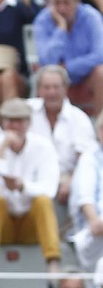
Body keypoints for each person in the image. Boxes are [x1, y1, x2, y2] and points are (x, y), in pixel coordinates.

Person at [0, 96, 63, 288]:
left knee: (42, 201)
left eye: (20, 121)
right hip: (2, 225)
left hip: (32, 225)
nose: (15, 126)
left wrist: (23, 186)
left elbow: (50, 189)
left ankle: (53, 270)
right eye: (11, 121)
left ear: (28, 123)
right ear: (3, 122)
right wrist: (3, 151)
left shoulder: (43, 147)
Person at [33, 0, 103, 116]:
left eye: (66, 3)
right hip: (54, 74)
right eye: (57, 3)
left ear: (77, 2)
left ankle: (100, 125)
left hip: (86, 74)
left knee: (101, 73)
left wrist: (68, 67)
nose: (61, 8)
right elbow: (46, 60)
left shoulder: (91, 16)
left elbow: (99, 54)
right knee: (44, 75)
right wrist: (61, 28)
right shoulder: (43, 19)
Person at [30, 64, 96, 207]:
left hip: (67, 180)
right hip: (32, 180)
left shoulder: (79, 118)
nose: (51, 92)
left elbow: (87, 160)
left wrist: (72, 180)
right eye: (46, 87)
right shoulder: (26, 112)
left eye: (56, 87)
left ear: (65, 89)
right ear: (38, 90)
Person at [69, 110, 103, 287]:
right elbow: (85, 197)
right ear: (99, 132)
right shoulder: (90, 158)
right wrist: (94, 221)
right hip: (94, 232)